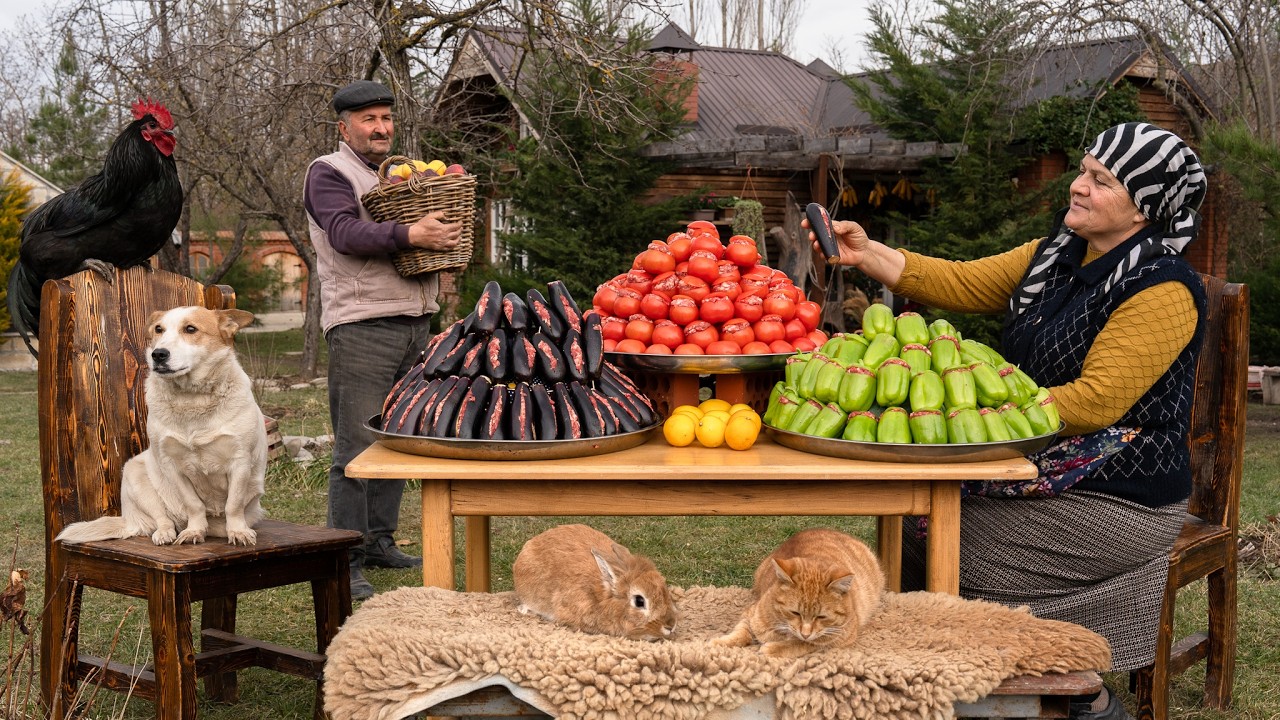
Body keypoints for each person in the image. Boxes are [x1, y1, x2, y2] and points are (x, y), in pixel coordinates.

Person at [807, 122, 1208, 720]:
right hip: (1037, 465)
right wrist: (867, 253)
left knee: (951, 543)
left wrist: (966, 409)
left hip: (1118, 494)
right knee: (917, 521)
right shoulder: (1055, 254)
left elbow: (1096, 402)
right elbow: (962, 280)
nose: (1078, 186)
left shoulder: (1163, 288)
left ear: (1144, 209)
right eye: (1084, 170)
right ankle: (957, 678)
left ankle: (1075, 693)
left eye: (1102, 181)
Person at [303, 80, 463, 601]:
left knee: (397, 436)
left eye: (386, 118)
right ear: (344, 126)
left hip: (415, 322)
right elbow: (344, 233)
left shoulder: (402, 176)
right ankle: (345, 558)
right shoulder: (328, 172)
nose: (380, 128)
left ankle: (378, 542)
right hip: (362, 325)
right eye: (368, 119)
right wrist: (411, 234)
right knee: (356, 447)